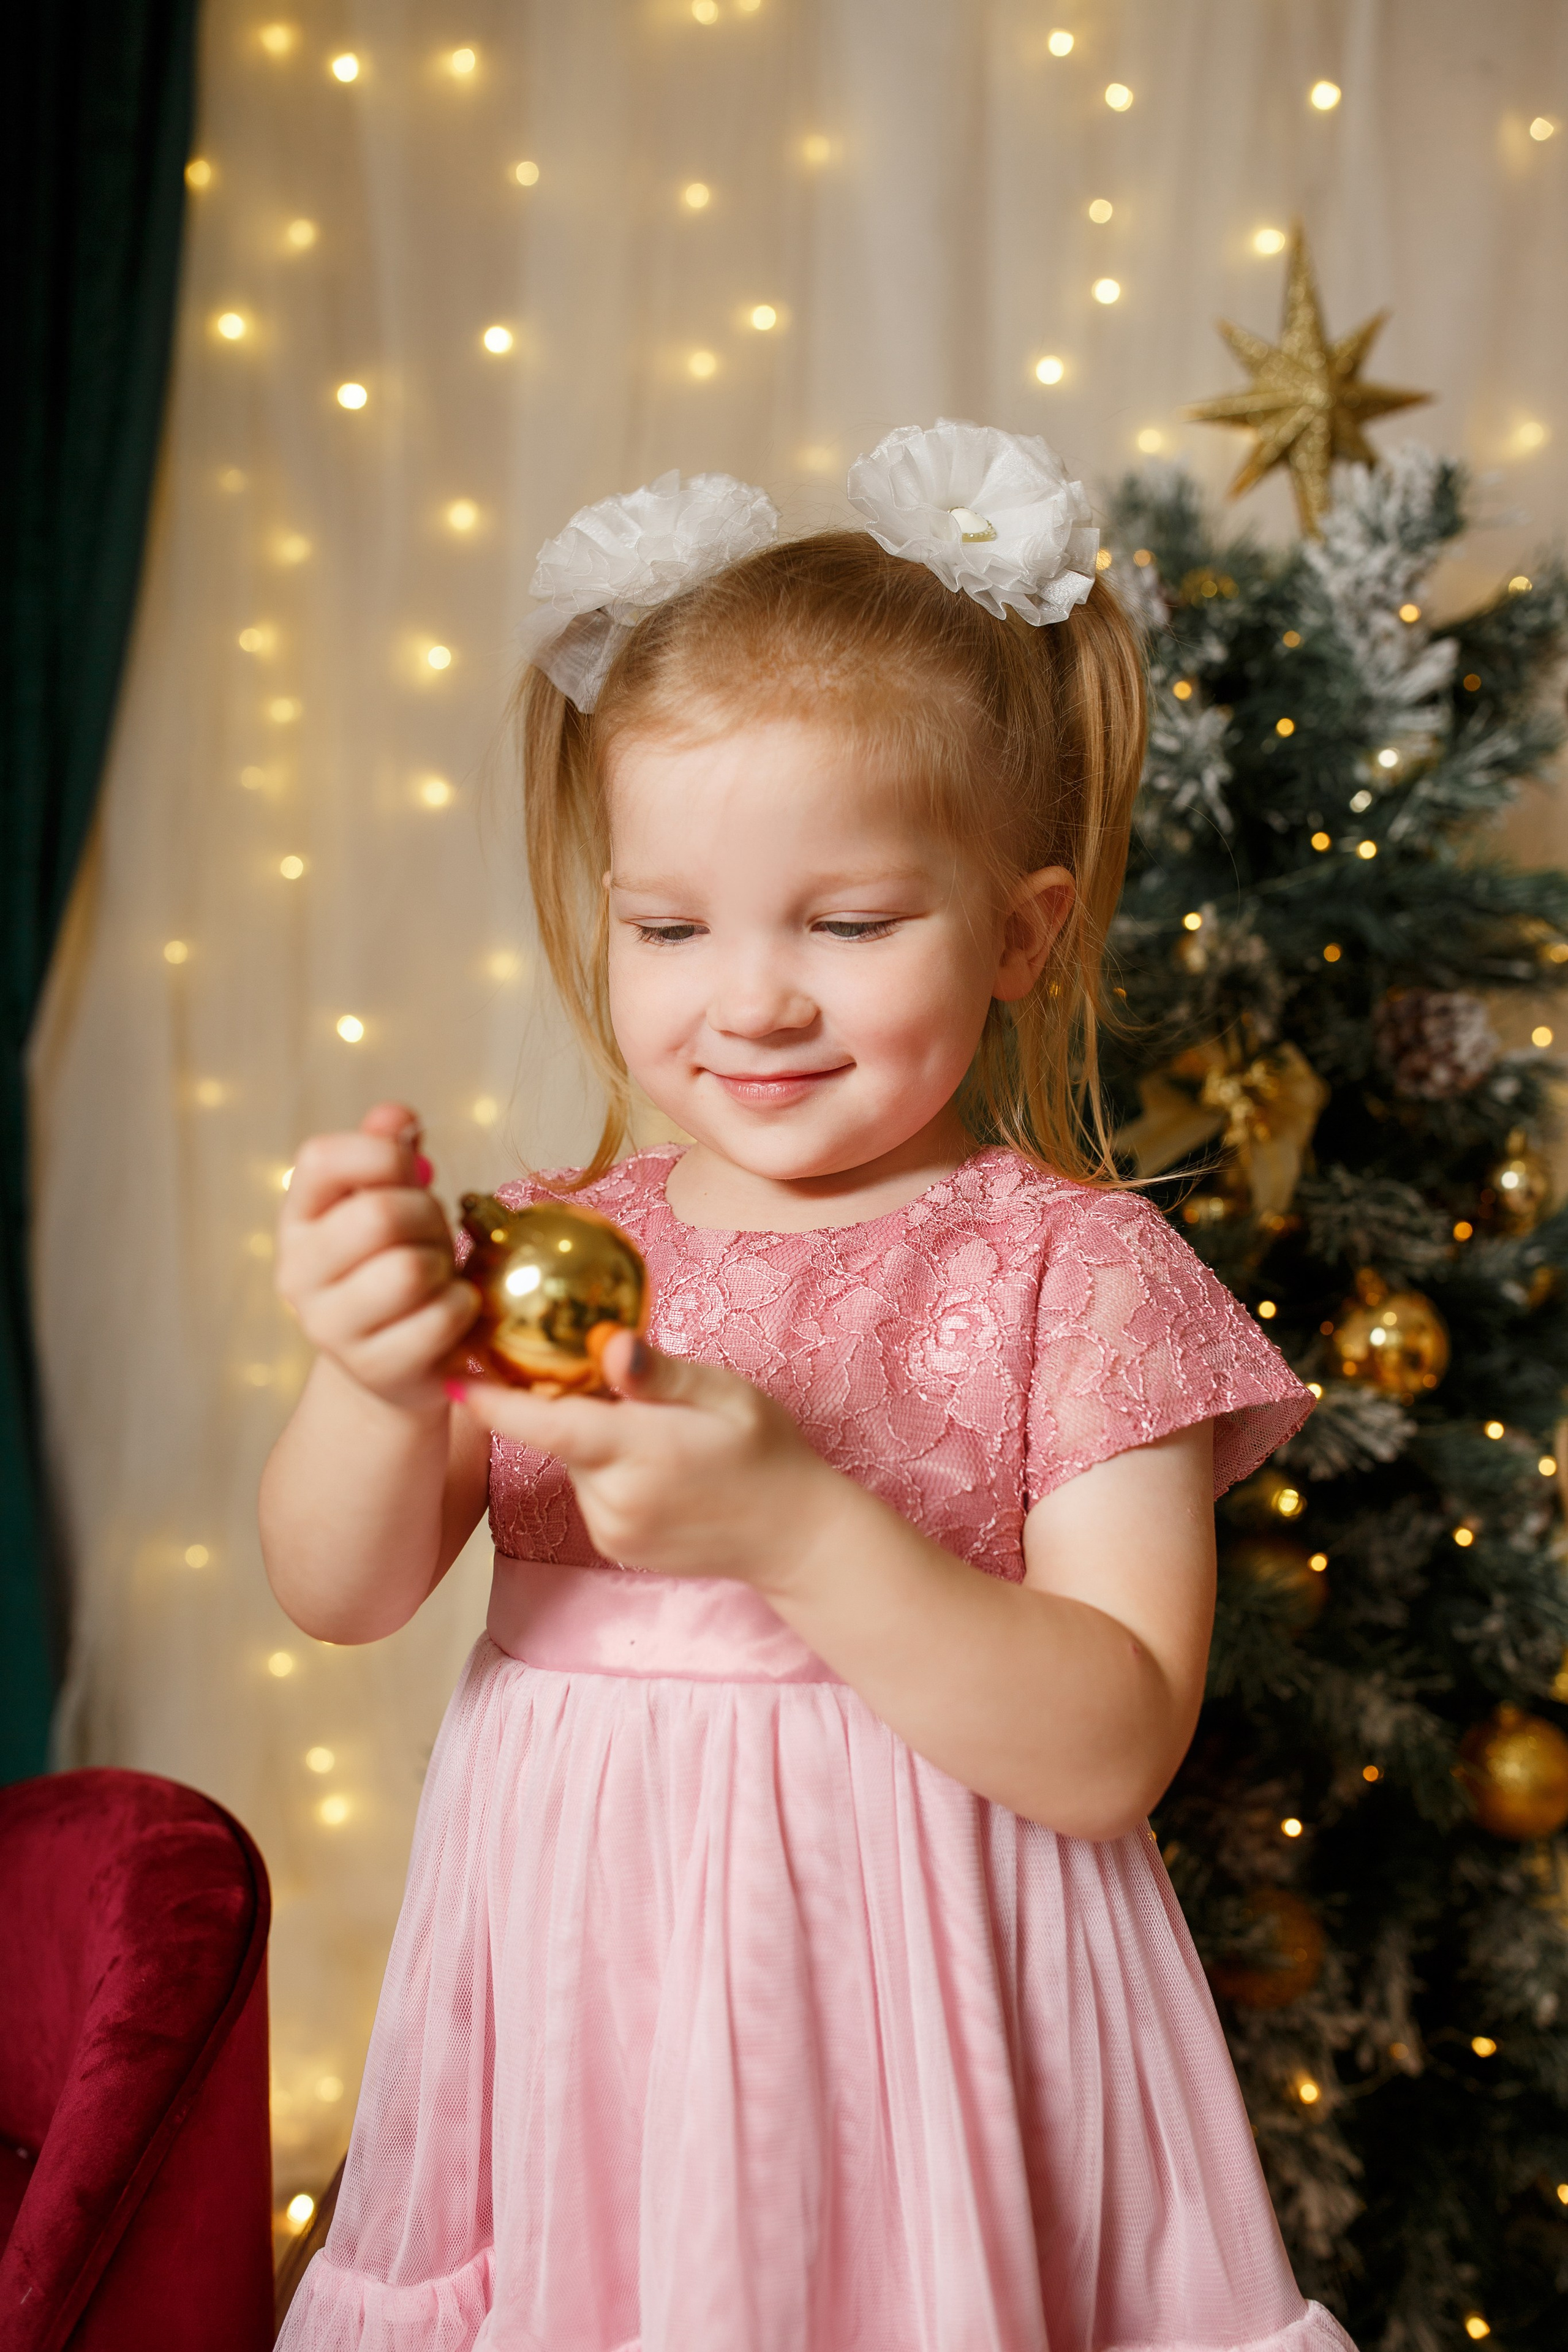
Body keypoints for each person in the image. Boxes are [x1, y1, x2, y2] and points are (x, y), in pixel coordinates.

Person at [264, 423, 1352, 2352]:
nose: (753, 997)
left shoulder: (1074, 1273)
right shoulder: (543, 1249)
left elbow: (1109, 1750)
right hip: (585, 2014)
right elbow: (338, 1592)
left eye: (848, 925)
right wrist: (371, 1375)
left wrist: (796, 1529)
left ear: (1021, 932)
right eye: (671, 928)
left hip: (926, 2026)